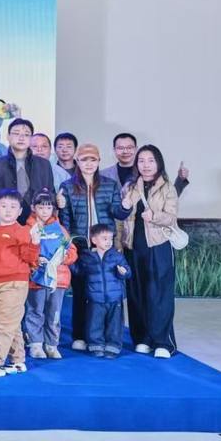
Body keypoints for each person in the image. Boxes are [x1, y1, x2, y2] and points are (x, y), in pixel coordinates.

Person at [58, 142, 131, 350]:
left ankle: (107, 338)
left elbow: (118, 213)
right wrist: (69, 245)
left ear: (99, 161)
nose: (89, 164)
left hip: (105, 247)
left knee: (106, 293)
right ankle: (80, 336)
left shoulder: (110, 184)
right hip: (81, 247)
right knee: (81, 292)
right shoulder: (67, 186)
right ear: (77, 161)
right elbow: (65, 221)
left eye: (93, 159)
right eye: (84, 160)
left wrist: (126, 206)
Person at [120, 144, 180, 358]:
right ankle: (142, 338)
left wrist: (154, 216)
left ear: (158, 163)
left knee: (159, 294)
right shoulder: (130, 187)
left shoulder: (167, 188)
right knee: (136, 293)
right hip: (133, 247)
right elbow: (121, 218)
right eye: (141, 161)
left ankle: (163, 342)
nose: (146, 165)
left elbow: (171, 218)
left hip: (158, 246)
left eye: (150, 160)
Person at [0, 189, 41, 377]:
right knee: (11, 323)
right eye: (4, 206)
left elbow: (30, 258)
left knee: (3, 325)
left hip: (15, 283)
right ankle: (18, 360)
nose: (8, 210)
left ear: (20, 211)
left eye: (13, 207)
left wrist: (35, 242)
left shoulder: (22, 231)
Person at [24, 190, 77, 360]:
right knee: (35, 311)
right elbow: (24, 252)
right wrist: (35, 260)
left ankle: (52, 344)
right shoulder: (28, 229)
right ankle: (35, 344)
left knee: (54, 313)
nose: (45, 211)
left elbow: (72, 250)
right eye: (41, 207)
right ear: (33, 208)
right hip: (37, 279)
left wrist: (64, 258)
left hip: (58, 279)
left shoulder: (60, 229)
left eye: (48, 208)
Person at [79, 222, 131, 358]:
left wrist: (123, 272)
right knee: (94, 323)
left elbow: (127, 272)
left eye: (110, 238)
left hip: (115, 298)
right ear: (94, 240)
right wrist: (67, 262)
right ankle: (96, 345)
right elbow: (78, 271)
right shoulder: (87, 257)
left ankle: (113, 346)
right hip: (95, 298)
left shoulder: (117, 256)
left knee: (115, 324)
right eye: (104, 238)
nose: (108, 242)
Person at [0, 118, 55, 220]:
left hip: (37, 223)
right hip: (6, 223)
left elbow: (50, 195)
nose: (21, 138)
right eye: (16, 133)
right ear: (8, 136)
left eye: (26, 134)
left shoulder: (44, 165)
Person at [101, 131, 190, 199]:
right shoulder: (103, 175)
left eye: (129, 147)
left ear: (136, 149)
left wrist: (180, 179)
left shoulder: (149, 172)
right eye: (120, 148)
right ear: (114, 150)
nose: (125, 151)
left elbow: (169, 199)